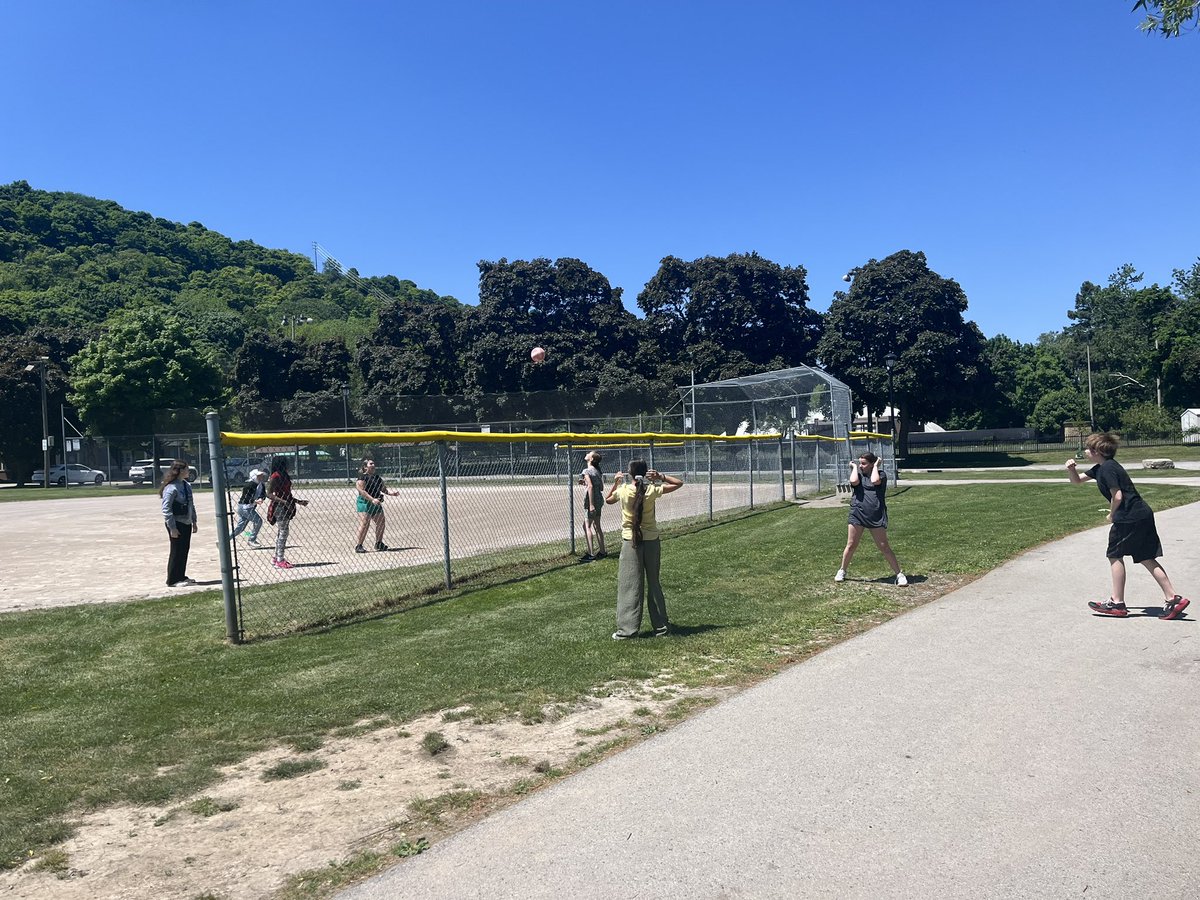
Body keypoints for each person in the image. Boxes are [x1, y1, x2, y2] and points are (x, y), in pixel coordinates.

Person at [1065, 432, 1189, 619]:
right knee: (1146, 557)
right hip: (1142, 515)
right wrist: (1071, 469)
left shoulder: (1107, 469)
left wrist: (1112, 513)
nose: (1085, 451)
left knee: (1114, 555)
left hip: (1129, 517)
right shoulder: (1101, 468)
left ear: (1097, 451)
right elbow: (1077, 481)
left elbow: (1118, 495)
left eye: (1088, 448)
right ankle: (1173, 598)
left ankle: (1117, 603)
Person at [605, 459, 683, 639]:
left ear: (630, 474)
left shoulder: (623, 490)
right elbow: (679, 483)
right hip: (651, 540)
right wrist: (660, 477)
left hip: (630, 541)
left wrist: (616, 482)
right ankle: (662, 627)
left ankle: (628, 630)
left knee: (630, 585)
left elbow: (608, 500)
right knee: (654, 582)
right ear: (646, 473)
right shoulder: (651, 490)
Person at [835, 451, 908, 586]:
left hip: (875, 515)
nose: (861, 466)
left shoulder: (881, 475)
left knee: (884, 546)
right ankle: (842, 571)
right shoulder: (857, 474)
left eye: (863, 464)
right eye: (860, 463)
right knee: (851, 545)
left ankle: (899, 574)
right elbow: (853, 481)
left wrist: (876, 466)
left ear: (872, 464)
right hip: (857, 513)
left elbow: (875, 481)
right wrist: (855, 468)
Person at [266, 456, 308, 570]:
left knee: (282, 532)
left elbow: (287, 494)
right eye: (286, 463)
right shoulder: (275, 476)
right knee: (283, 532)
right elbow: (269, 494)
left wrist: (299, 502)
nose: (288, 465)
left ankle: (276, 557)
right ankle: (280, 559)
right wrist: (284, 502)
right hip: (279, 507)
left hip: (287, 505)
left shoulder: (285, 475)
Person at [160, 459, 198, 587]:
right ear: (180, 471)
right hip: (176, 523)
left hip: (186, 522)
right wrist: (172, 528)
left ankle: (181, 576)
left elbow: (191, 504)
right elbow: (166, 509)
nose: (188, 471)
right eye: (186, 469)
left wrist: (194, 521)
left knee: (184, 550)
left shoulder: (186, 485)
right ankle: (172, 580)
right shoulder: (171, 488)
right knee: (176, 551)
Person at [354, 458, 400, 552]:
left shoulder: (377, 477)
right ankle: (359, 545)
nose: (373, 465)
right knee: (365, 523)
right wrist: (372, 499)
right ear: (365, 467)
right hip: (364, 502)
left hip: (376, 502)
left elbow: (384, 489)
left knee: (381, 522)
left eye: (374, 463)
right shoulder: (362, 477)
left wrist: (392, 493)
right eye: (371, 464)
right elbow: (361, 491)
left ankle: (379, 543)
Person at [578, 450, 607, 561]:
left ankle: (591, 554)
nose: (587, 454)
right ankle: (602, 551)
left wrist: (591, 504)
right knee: (597, 526)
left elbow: (590, 487)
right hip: (599, 499)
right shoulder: (597, 471)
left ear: (591, 459)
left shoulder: (586, 471)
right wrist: (585, 482)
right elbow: (601, 488)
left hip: (592, 501)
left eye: (589, 454)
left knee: (586, 526)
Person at [230, 469, 267, 545]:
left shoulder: (261, 484)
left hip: (250, 507)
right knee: (258, 521)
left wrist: (261, 498)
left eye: (261, 475)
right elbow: (246, 498)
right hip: (244, 507)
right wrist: (255, 501)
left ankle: (225, 539)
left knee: (240, 528)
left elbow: (263, 494)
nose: (261, 477)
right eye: (259, 476)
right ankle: (251, 539)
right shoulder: (248, 485)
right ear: (254, 477)